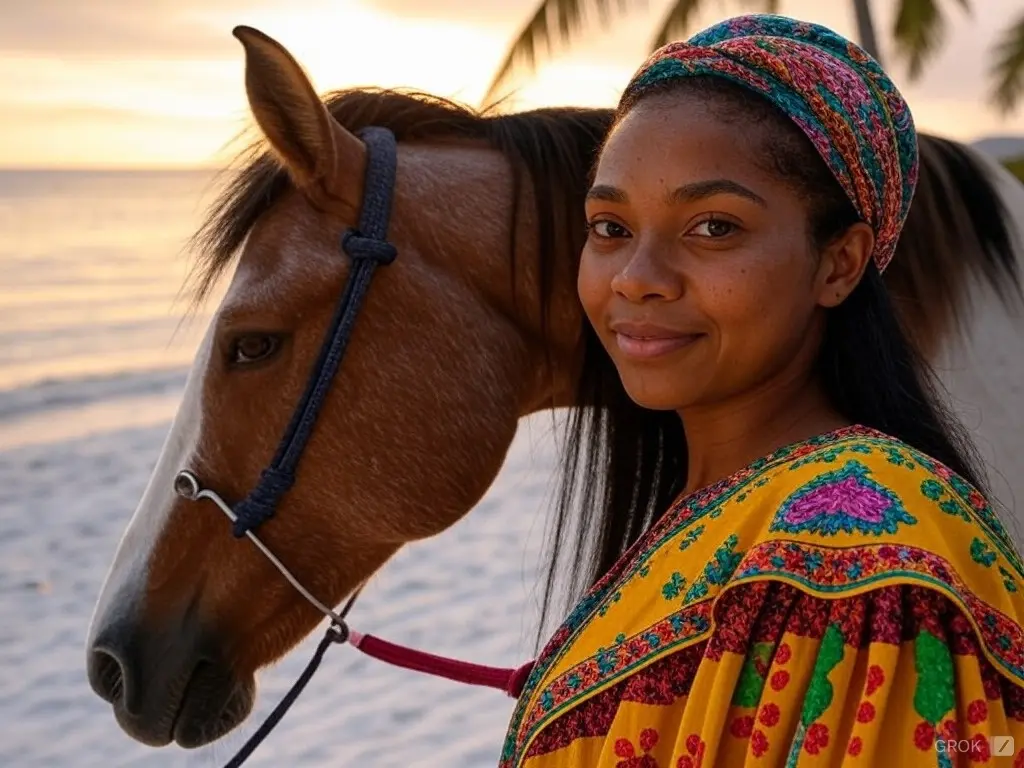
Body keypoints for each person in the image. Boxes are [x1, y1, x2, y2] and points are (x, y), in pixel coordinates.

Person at [498, 14, 1024, 768]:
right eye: (610, 226)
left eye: (713, 227)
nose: (636, 277)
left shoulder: (868, 558)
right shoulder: (711, 517)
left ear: (839, 264)